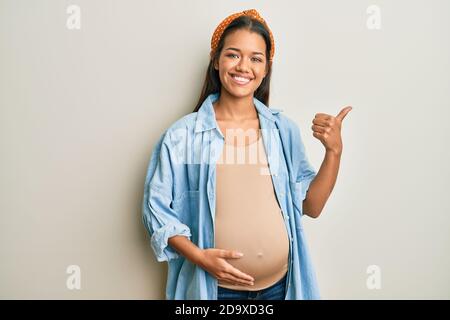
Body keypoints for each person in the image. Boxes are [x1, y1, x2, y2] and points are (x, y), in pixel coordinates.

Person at [142, 9, 351, 300]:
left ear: (266, 69)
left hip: (280, 288)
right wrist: (201, 258)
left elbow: (312, 206)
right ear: (216, 61)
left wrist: (334, 152)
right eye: (233, 55)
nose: (244, 66)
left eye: (256, 58)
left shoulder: (282, 130)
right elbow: (156, 209)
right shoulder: (183, 135)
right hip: (216, 290)